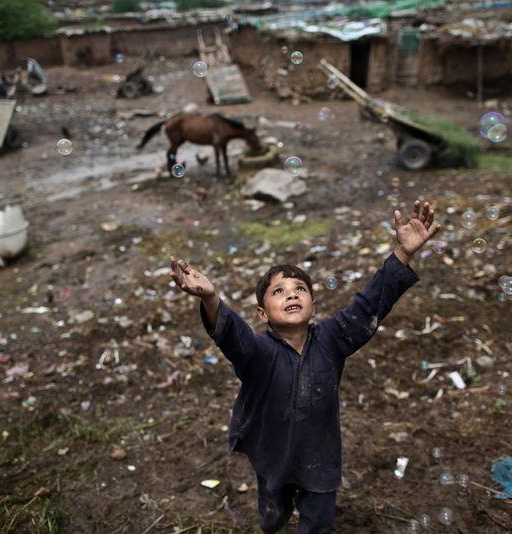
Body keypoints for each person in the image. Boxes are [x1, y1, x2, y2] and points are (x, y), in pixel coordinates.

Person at [169, 200, 441, 533]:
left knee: (317, 524)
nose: (291, 294)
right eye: (278, 291)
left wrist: (402, 254)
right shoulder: (257, 352)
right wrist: (211, 299)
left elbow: (368, 305)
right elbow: (232, 335)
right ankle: (274, 520)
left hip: (320, 457)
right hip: (272, 455)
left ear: (312, 304)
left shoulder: (332, 339)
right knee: (272, 516)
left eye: (300, 289)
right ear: (262, 314)